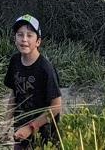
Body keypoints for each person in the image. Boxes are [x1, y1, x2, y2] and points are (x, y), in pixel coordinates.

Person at [4, 14, 62, 147]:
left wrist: (31, 127)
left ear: (38, 41)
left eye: (29, 35)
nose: (24, 39)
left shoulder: (45, 68)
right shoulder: (14, 61)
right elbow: (14, 94)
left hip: (44, 136)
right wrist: (6, 124)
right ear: (15, 38)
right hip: (20, 132)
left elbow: (56, 106)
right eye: (20, 34)